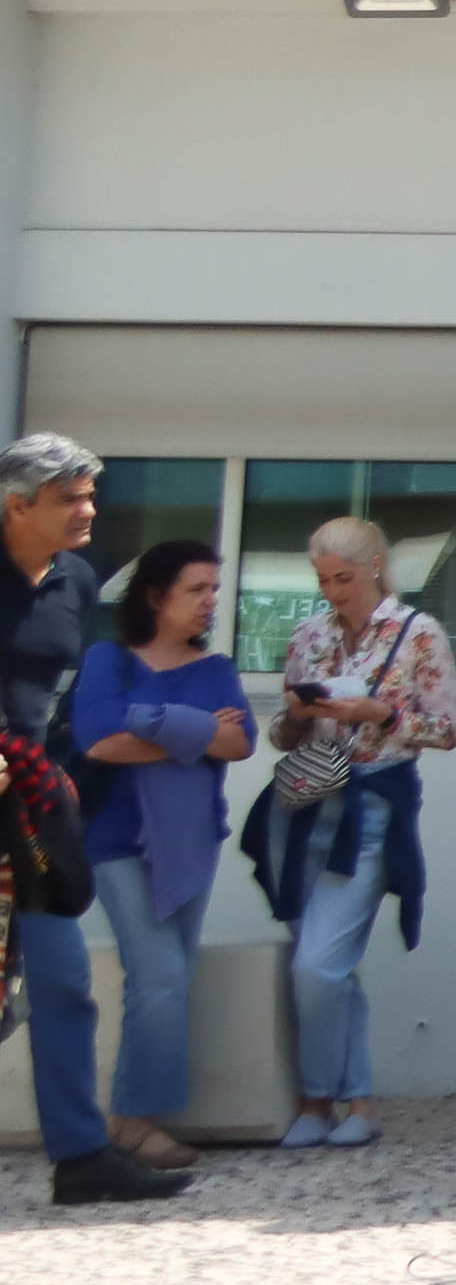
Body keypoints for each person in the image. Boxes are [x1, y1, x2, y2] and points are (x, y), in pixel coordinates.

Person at [9, 429, 187, 1204]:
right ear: (17, 507)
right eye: (68, 499)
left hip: (30, 804)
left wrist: (61, 771)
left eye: (90, 495)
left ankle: (81, 1158)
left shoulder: (76, 579)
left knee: (63, 981)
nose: (87, 510)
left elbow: (55, 690)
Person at [258, 512, 456, 1150]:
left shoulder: (417, 633)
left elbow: (447, 729)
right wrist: (298, 716)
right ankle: (350, 1103)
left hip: (372, 805)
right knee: (324, 964)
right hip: (305, 803)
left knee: (317, 966)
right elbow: (282, 735)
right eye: (322, 580)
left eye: (342, 578)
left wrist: (381, 713)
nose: (331, 592)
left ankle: (320, 1097)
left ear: (375, 567)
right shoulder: (309, 634)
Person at [68, 539, 249, 1177]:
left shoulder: (217, 668)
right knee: (160, 978)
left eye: (213, 590)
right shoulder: (108, 659)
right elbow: (99, 742)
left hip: (193, 842)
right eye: (196, 589)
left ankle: (132, 1119)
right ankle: (136, 1124)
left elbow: (239, 742)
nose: (209, 602)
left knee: (168, 979)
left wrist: (153, 721)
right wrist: (197, 730)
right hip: (117, 843)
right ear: (155, 595)